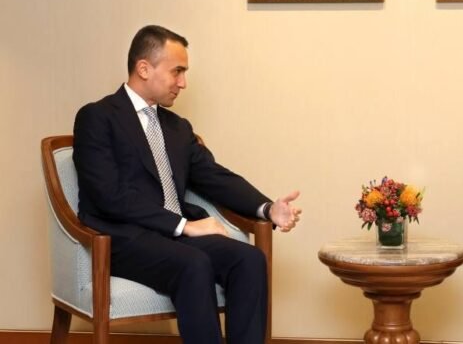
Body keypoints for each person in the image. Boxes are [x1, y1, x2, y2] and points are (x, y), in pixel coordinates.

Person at [73, 25, 302, 344]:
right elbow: (108, 195)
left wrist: (266, 208)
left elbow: (214, 176)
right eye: (177, 71)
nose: (183, 83)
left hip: (174, 237)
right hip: (123, 239)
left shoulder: (177, 127)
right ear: (144, 68)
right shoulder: (97, 117)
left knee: (249, 259)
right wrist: (184, 225)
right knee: (194, 263)